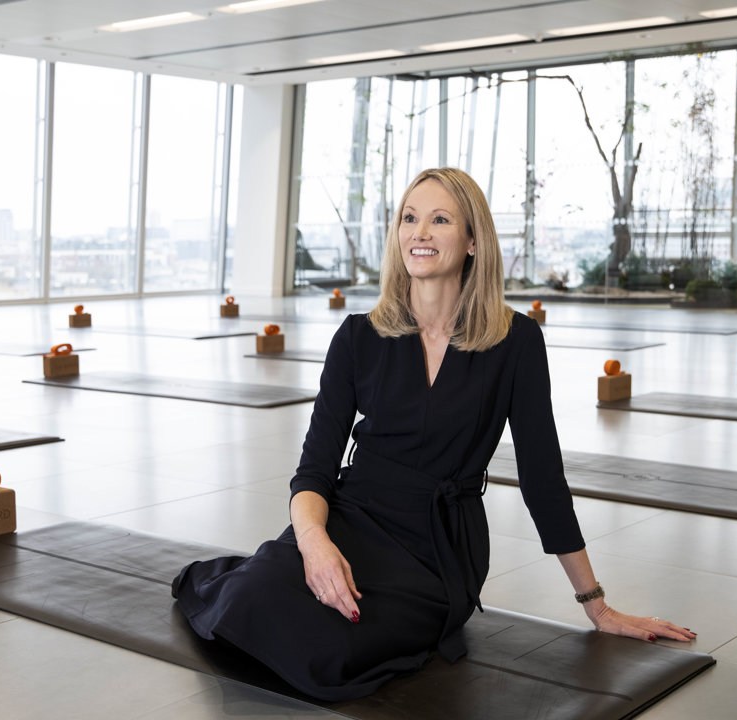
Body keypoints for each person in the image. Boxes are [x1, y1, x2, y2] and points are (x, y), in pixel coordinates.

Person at [172, 167, 695, 701]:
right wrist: (315, 544)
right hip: (352, 517)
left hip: (438, 546)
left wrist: (597, 604)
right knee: (248, 602)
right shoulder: (358, 336)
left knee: (331, 653)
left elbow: (543, 481)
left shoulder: (516, 342)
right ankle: (256, 574)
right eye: (409, 218)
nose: (419, 232)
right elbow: (314, 470)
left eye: (439, 219)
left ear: (472, 241)